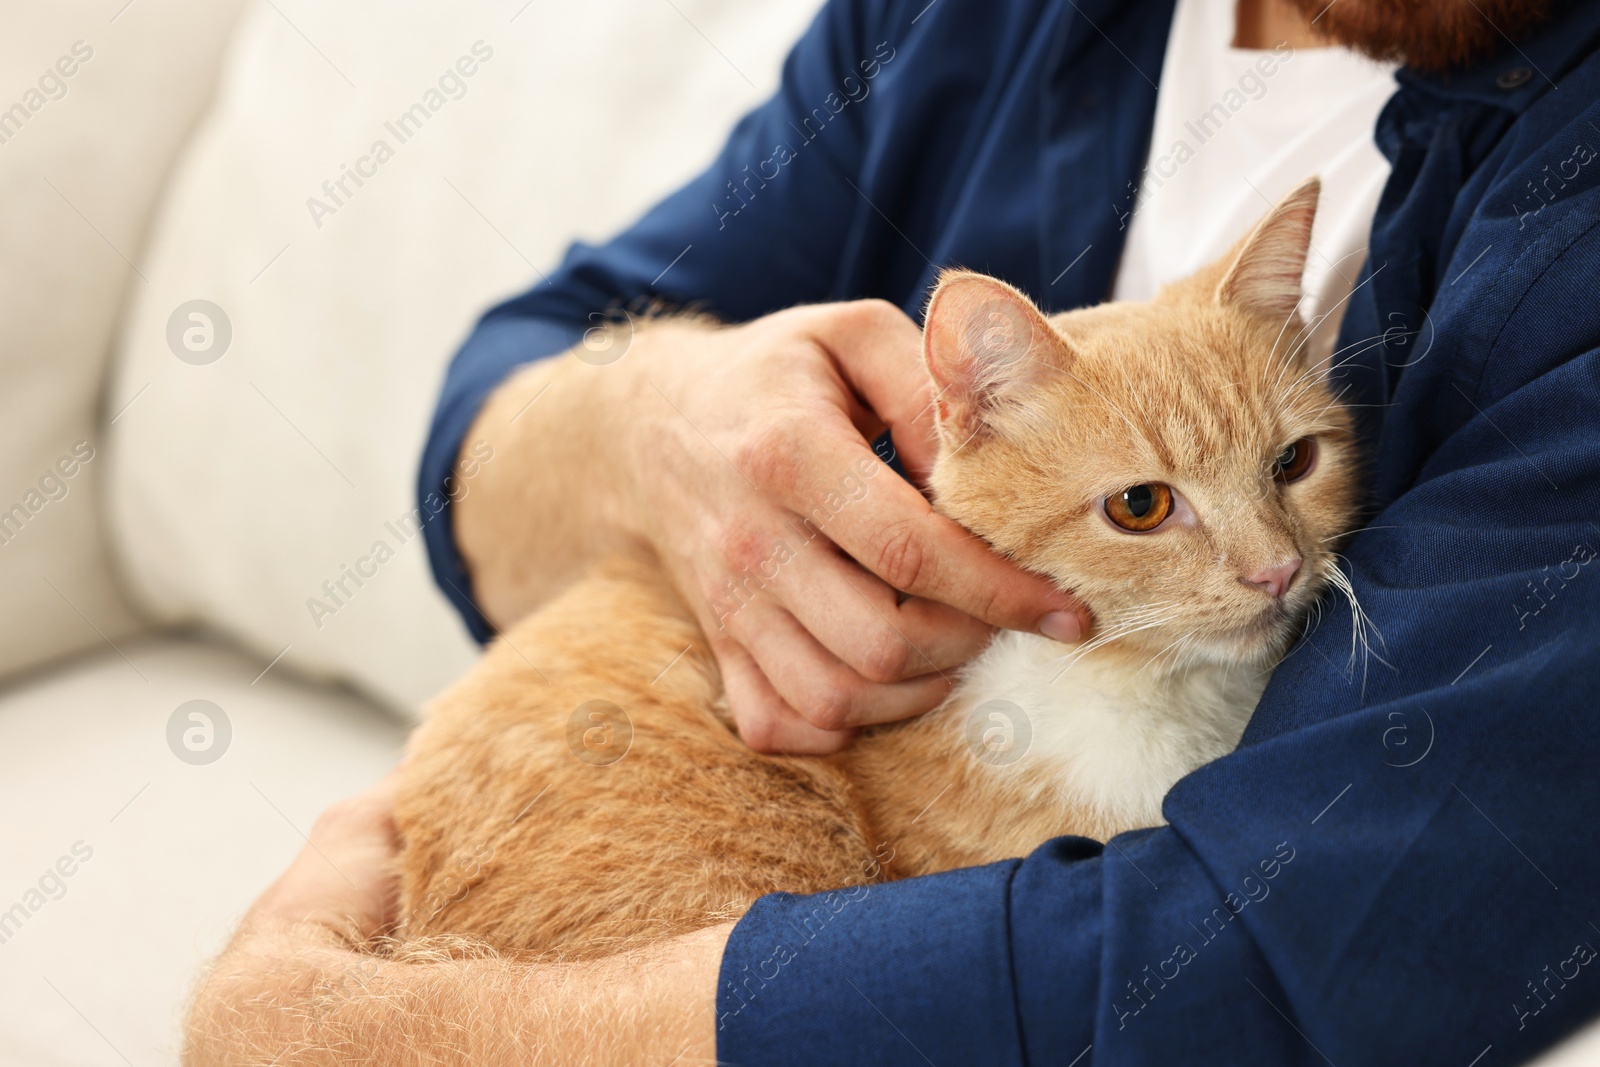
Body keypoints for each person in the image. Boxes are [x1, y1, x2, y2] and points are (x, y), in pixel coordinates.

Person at [188, 0, 1600, 1062]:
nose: (1266, 562)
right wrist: (657, 419)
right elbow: (510, 390)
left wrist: (392, 1035)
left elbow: (1286, 950)